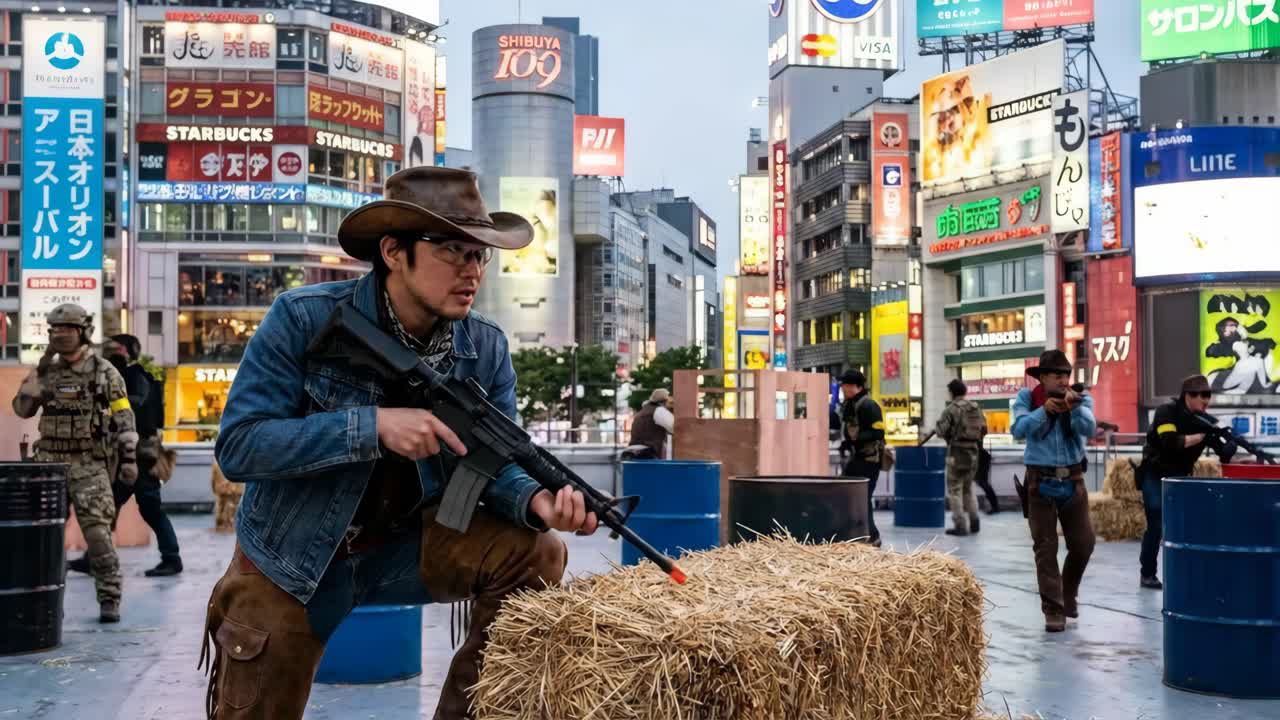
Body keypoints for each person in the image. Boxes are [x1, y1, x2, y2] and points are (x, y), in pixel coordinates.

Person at [200, 167, 598, 720]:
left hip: (407, 549)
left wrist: (533, 499)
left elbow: (492, 460)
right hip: (292, 560)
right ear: (393, 252)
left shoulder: (483, 346)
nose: (472, 269)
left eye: (480, 254)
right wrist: (373, 426)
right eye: (453, 250)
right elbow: (241, 446)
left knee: (538, 550)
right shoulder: (302, 318)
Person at [11, 304, 139, 623]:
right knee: (40, 537)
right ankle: (38, 601)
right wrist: (39, 371)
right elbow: (22, 410)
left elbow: (124, 417)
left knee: (97, 535)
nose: (61, 334)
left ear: (83, 331)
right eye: (55, 329)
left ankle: (109, 598)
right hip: (48, 464)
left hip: (89, 463)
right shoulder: (46, 372)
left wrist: (130, 460)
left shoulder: (104, 371)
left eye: (68, 328)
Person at [69, 334, 184, 577]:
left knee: (150, 507)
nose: (112, 351)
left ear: (128, 351)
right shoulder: (117, 377)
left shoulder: (135, 374)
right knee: (109, 505)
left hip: (141, 455)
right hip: (123, 455)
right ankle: (94, 558)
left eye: (117, 347)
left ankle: (172, 559)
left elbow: (136, 403)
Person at [1011, 350, 1096, 633]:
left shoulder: (1081, 397)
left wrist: (1075, 408)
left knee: (1083, 543)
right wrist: (1044, 410)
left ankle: (1067, 593)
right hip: (1039, 480)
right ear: (1043, 377)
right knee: (1045, 548)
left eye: (1066, 375)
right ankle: (1053, 608)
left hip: (1073, 479)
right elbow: (1019, 429)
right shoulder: (1028, 398)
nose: (1063, 380)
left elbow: (1090, 427)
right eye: (1057, 375)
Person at [1136, 375, 1232, 590]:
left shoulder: (1206, 421)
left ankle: (1185, 572)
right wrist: (1202, 436)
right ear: (1187, 396)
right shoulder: (1166, 412)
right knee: (1156, 523)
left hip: (1181, 477)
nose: (1205, 400)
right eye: (1200, 395)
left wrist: (1228, 445)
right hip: (1155, 473)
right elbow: (1170, 442)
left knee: (1186, 525)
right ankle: (1148, 573)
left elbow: (1223, 452)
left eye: (1208, 395)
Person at [935, 378, 987, 537]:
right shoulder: (976, 407)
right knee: (968, 487)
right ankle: (975, 521)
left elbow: (940, 432)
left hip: (956, 453)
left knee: (955, 489)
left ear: (951, 392)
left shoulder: (950, 409)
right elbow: (984, 429)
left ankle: (960, 526)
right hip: (973, 452)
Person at [839, 370, 885, 546]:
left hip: (869, 459)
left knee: (862, 496)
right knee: (850, 494)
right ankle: (859, 533)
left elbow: (878, 432)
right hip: (858, 457)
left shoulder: (869, 405)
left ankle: (872, 536)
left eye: (845, 385)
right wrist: (847, 443)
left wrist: (857, 438)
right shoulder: (851, 404)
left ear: (855, 386)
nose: (843, 388)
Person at [630, 389, 674, 460]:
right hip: (648, 452)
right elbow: (675, 428)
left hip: (634, 451)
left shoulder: (642, 412)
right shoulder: (659, 411)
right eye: (670, 402)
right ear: (664, 402)